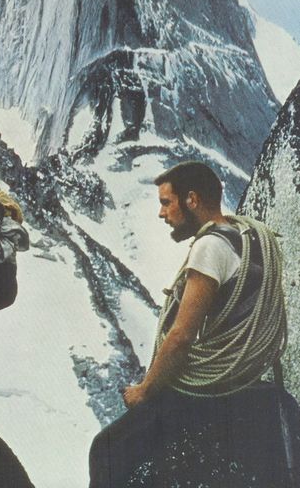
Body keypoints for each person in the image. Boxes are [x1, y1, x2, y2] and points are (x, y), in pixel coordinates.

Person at [89, 160, 288, 488]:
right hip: (246, 379)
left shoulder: (210, 247)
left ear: (191, 200)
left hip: (210, 390)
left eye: (166, 202)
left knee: (106, 449)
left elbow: (181, 336)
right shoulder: (255, 237)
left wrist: (144, 390)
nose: (162, 213)